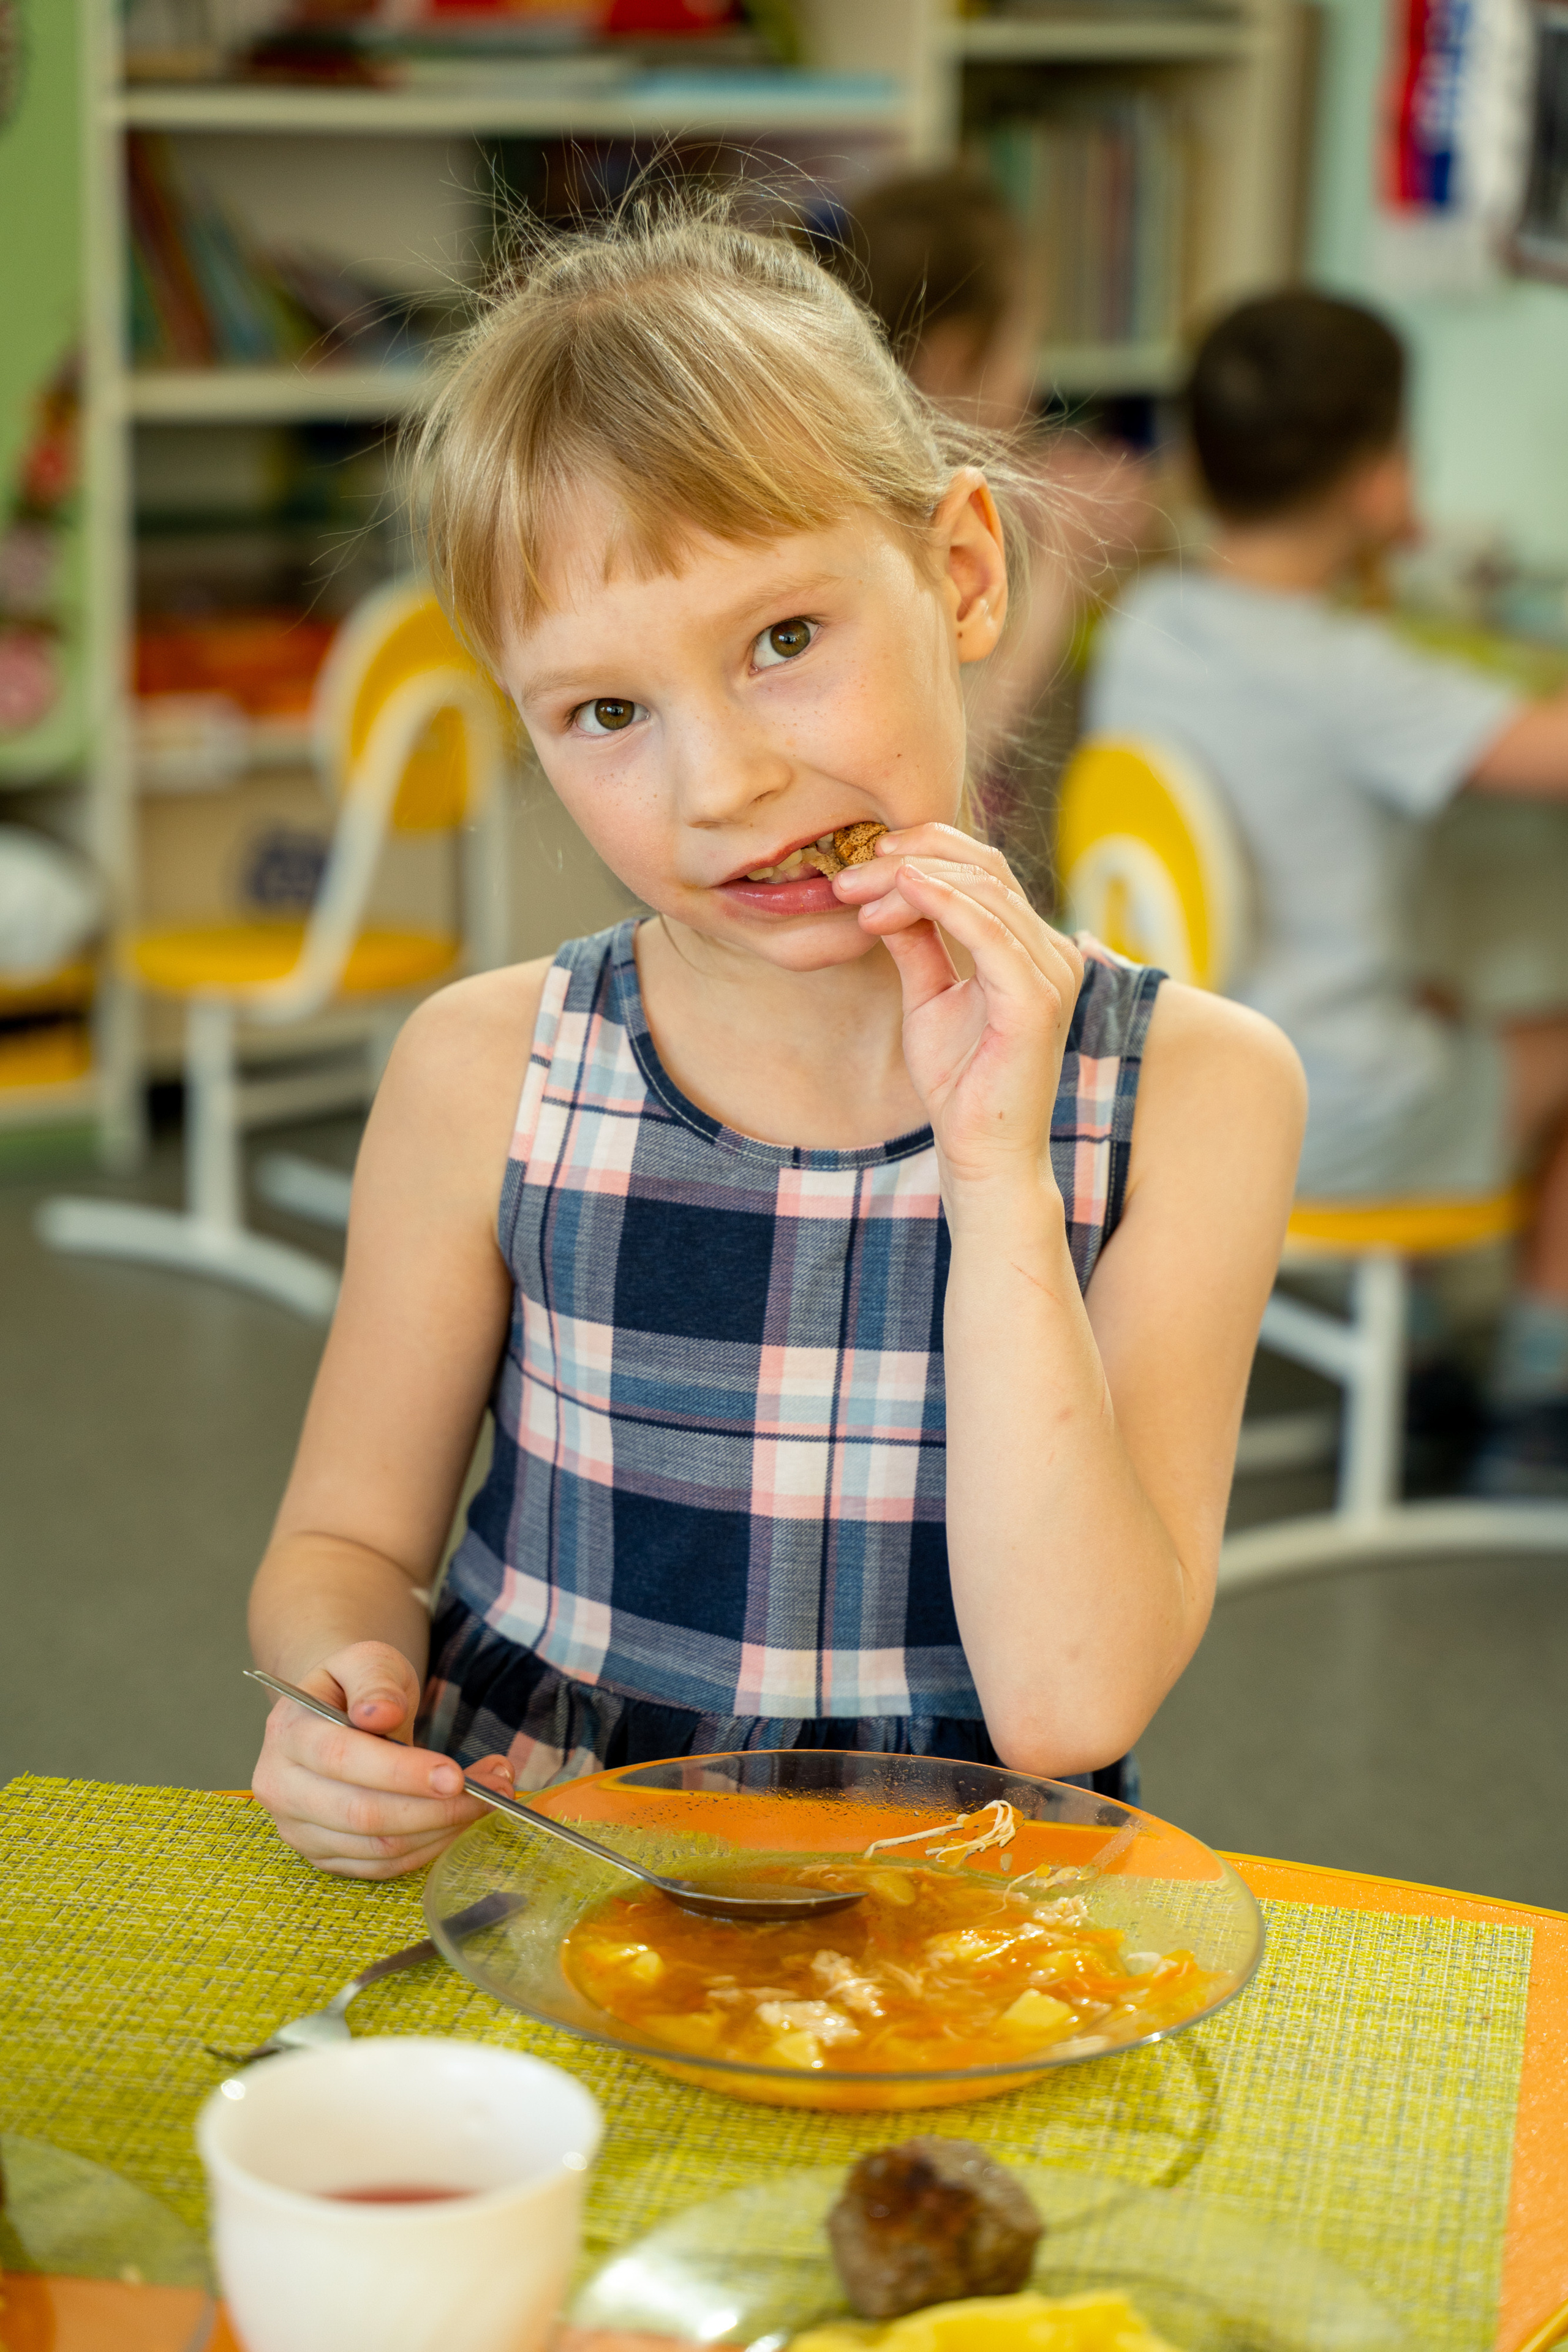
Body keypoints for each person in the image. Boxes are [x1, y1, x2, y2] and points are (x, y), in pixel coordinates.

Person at [247, 198, 1303, 1879]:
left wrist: (997, 1177)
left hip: (953, 1914)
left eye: (785, 642)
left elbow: (1067, 1702)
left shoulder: (1195, 1093)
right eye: (607, 712)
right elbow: (344, 1543)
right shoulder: (485, 1069)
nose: (721, 783)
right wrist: (342, 1697)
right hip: (535, 1878)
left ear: (962, 571)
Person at [1085, 289, 1568, 1494]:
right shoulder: (1350, 670)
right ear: (1373, 473)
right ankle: (1536, 1406)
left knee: (1438, 998)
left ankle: (1410, 1374)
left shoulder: (1153, 617)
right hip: (1326, 1109)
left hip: (1185, 1076)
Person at [836, 165, 1155, 780]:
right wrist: (1063, 560)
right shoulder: (881, 527)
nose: (1033, 378)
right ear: (954, 358)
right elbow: (957, 752)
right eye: (1025, 339)